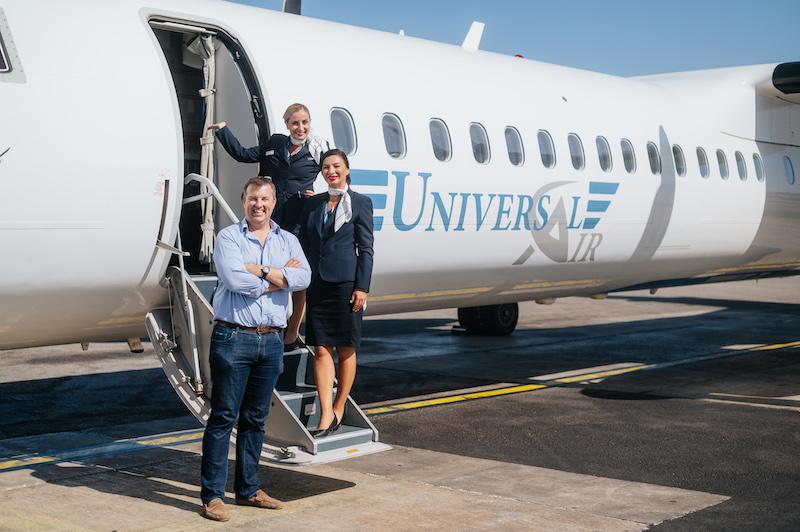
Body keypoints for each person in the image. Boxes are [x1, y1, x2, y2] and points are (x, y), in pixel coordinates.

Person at [200, 177, 310, 522]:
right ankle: (213, 496)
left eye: (264, 199)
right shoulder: (228, 237)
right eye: (252, 199)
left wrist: (258, 270)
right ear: (243, 201)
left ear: (273, 202)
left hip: (272, 339)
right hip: (234, 337)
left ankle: (248, 489)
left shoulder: (288, 239)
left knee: (255, 419)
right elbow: (235, 281)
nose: (258, 205)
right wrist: (278, 278)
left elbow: (304, 278)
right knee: (223, 417)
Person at [209, 103, 329, 351]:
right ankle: (269, 316)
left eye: (305, 122)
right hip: (270, 218)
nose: (300, 127)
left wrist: (319, 197)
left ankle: (292, 330)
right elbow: (243, 154)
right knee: (269, 267)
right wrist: (223, 131)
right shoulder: (274, 144)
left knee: (298, 279)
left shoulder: (317, 151)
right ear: (286, 124)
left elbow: (336, 174)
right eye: (295, 122)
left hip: (297, 221)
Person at [294, 149, 374, 437]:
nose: (331, 171)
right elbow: (302, 240)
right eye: (326, 167)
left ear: (347, 169)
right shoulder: (314, 204)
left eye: (336, 166)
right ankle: (325, 412)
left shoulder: (361, 204)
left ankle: (339, 406)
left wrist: (362, 287)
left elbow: (366, 249)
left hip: (346, 285)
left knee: (346, 348)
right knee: (320, 349)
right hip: (319, 284)